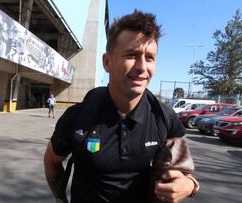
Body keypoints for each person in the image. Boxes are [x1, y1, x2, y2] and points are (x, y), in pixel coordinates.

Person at [44, 11, 199, 203]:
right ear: (107, 62)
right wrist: (60, 199)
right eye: (132, 55)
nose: (142, 67)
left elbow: (183, 171)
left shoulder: (164, 116)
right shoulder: (78, 116)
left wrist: (190, 184)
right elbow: (52, 160)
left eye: (149, 57)